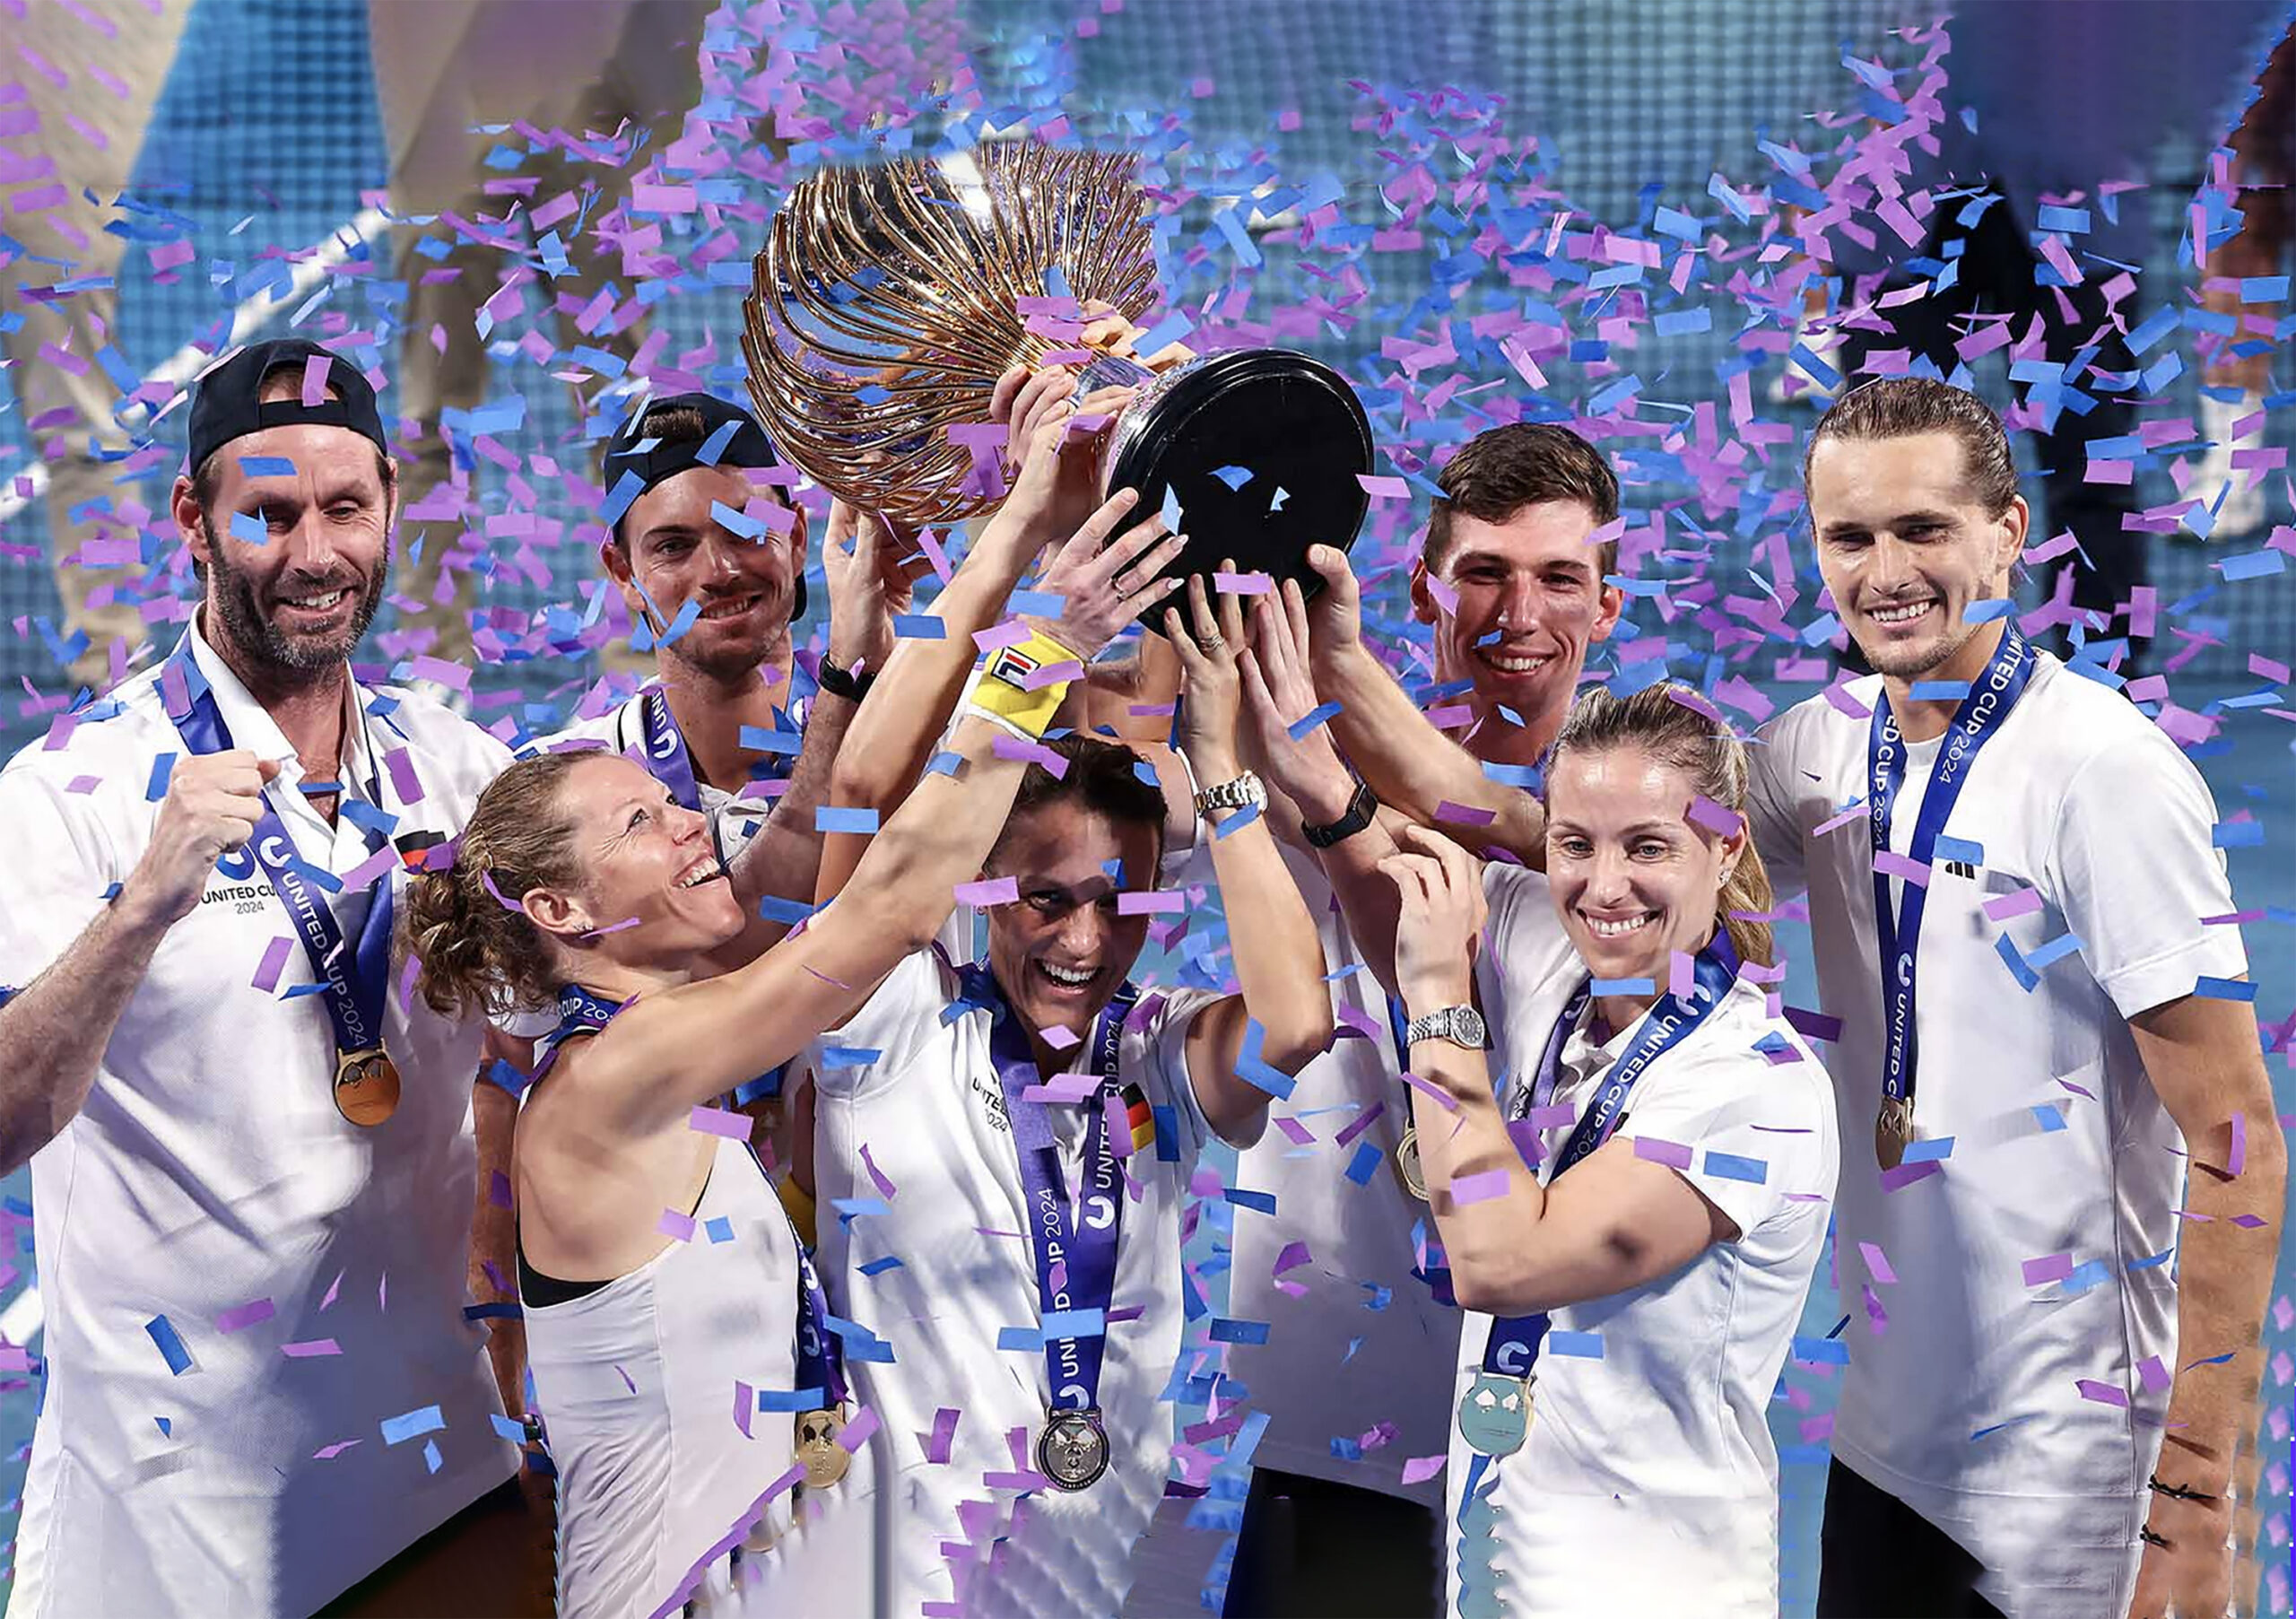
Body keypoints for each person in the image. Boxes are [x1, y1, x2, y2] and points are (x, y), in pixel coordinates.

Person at [402, 399, 1182, 1615]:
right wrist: (1037, 642)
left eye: (668, 805)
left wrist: (1026, 515)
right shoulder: (622, 1071)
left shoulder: (652, 1043)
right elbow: (887, 900)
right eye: (644, 823)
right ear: (558, 909)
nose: (693, 827)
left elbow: (847, 820)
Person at [0, 337, 546, 1615]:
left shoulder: (463, 770)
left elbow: (556, 1055)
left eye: (345, 508)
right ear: (192, 518)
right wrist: (144, 904)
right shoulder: (69, 790)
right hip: (167, 1536)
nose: (315, 553)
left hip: (435, 1491)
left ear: (391, 504)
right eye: (269, 514)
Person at [1747, 377, 2285, 1618]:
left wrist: (2196, 1500)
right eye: (1850, 536)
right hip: (1884, 1451)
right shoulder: (1815, 745)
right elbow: (1603, 861)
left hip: (2070, 1480)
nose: (1887, 572)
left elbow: (2238, 1146)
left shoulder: (2103, 773)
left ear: (2008, 536)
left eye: (1923, 529)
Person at [1249, 560, 1838, 1614]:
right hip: (1495, 1574)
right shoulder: (1562, 963)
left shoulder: (1754, 1087)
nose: (1603, 887)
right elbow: (1397, 898)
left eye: (1647, 845)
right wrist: (1318, 770)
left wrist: (1440, 997)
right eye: (1574, 843)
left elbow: (1499, 1260)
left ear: (1724, 846)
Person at [803, 570, 1337, 1619]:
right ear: (979, 885)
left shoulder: (1157, 1046)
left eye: (1118, 902)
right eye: (1045, 898)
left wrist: (1219, 766)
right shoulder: (891, 1020)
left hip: (1108, 1579)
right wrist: (1029, 616)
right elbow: (862, 789)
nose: (1084, 940)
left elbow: (1295, 1023)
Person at [1192, 423, 1628, 1616]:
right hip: (1342, 1406)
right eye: (1482, 572)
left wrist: (1338, 766)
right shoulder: (1287, 734)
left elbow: (1491, 867)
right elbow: (1121, 767)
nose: (1518, 613)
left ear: (1608, 601)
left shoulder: (1646, 811)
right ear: (1424, 587)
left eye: (1559, 577)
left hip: (1565, 1434)